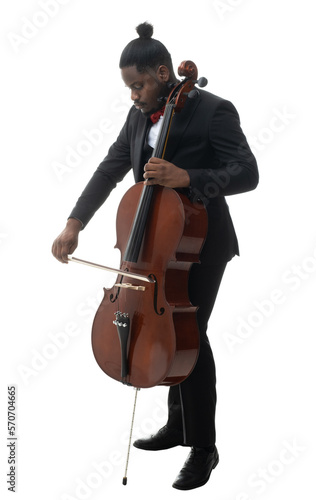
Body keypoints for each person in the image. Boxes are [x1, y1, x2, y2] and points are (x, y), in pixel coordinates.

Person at [52, 22, 259, 490]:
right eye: (127, 87)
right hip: (152, 242)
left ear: (164, 72)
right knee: (167, 327)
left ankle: (204, 447)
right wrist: (74, 222)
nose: (133, 96)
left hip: (200, 244)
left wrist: (186, 177)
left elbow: (247, 173)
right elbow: (109, 167)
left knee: (190, 334)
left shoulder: (212, 110)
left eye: (138, 85)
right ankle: (177, 426)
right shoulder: (137, 116)